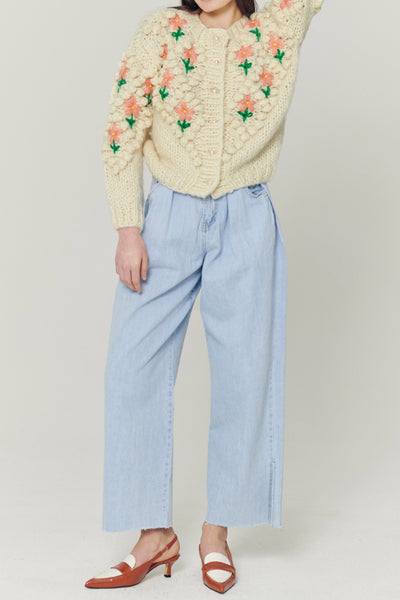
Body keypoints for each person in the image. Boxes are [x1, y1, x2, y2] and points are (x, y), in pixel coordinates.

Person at [85, 0, 324, 593]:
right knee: (131, 370)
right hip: (166, 216)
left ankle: (216, 535)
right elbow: (123, 126)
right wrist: (128, 227)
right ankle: (152, 536)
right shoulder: (162, 31)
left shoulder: (277, 26)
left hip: (246, 217)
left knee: (244, 374)